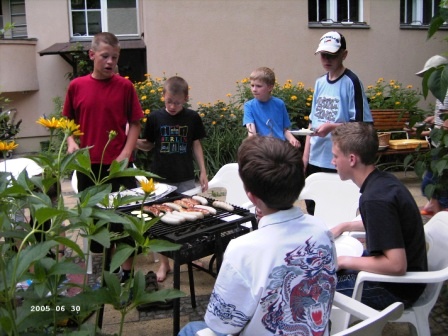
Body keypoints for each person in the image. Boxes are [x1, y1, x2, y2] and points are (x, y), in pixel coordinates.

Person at [178, 135, 337, 336]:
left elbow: (222, 324)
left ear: (251, 196)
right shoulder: (321, 230)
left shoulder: (242, 249)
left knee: (190, 330)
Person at [62, 32, 144, 283]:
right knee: (95, 224)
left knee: (127, 219)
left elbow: (136, 122)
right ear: (92, 55)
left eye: (115, 57)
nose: (110, 62)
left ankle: (126, 273)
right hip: (88, 167)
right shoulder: (77, 86)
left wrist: (126, 152)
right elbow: (67, 121)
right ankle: (98, 275)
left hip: (119, 166)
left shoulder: (125, 86)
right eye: (105, 56)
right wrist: (71, 141)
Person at [330, 122, 428, 310]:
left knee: (315, 287)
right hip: (405, 280)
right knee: (331, 269)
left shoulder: (374, 199)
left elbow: (396, 265)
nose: (332, 161)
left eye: (335, 156)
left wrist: (343, 261)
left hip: (396, 290)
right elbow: (387, 224)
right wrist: (346, 226)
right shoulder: (383, 181)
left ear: (352, 159)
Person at [136, 76, 209, 282]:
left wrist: (203, 170)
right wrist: (132, 142)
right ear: (163, 97)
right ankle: (164, 263)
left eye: (177, 102)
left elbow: (196, 144)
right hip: (160, 179)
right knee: (161, 220)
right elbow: (149, 144)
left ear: (185, 98)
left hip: (185, 176)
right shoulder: (155, 118)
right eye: (169, 101)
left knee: (188, 216)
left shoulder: (192, 118)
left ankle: (188, 256)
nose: (172, 106)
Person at [303, 31, 372, 215]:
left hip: (338, 160)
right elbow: (312, 122)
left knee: (337, 210)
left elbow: (362, 127)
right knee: (314, 209)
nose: (326, 59)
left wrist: (332, 128)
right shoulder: (319, 83)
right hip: (315, 159)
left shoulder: (352, 82)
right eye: (323, 55)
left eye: (332, 54)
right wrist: (304, 158)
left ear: (344, 54)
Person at [415, 55, 448, 216]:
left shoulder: (446, 92)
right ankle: (434, 206)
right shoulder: (441, 91)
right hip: (439, 146)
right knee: (432, 181)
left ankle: (439, 210)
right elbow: (442, 118)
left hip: (443, 149)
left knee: (433, 181)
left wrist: (424, 132)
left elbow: (445, 127)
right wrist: (432, 119)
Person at [242, 67, 300, 148]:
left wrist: (292, 139)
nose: (254, 89)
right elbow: (251, 131)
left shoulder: (279, 104)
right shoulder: (249, 106)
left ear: (270, 87)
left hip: (280, 147)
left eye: (258, 86)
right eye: (252, 85)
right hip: (262, 148)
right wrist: (253, 145)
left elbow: (284, 130)